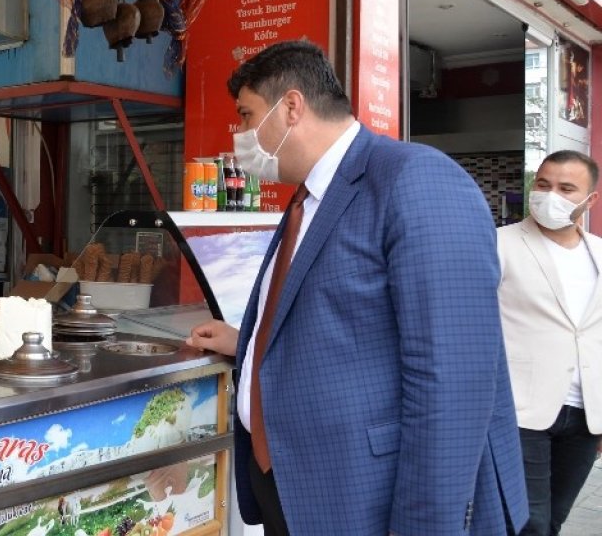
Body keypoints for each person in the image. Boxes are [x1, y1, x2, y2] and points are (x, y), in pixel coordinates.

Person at [185, 40, 528, 535]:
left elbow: (453, 383)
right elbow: (347, 327)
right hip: (294, 486)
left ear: (292, 107)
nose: (239, 133)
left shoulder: (415, 179)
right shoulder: (308, 199)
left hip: (367, 496)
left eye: (245, 114)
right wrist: (249, 342)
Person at [498, 150, 602, 536]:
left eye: (566, 188)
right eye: (543, 184)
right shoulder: (499, 244)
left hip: (584, 414)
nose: (549, 195)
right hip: (521, 411)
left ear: (590, 200)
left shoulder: (599, 253)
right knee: (529, 524)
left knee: (555, 518)